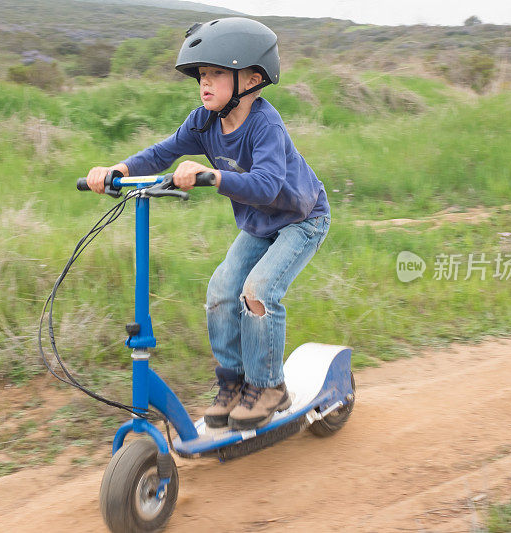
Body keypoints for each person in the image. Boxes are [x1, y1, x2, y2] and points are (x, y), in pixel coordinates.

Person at [85, 17, 330, 430]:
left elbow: (268, 186)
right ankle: (233, 384)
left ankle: (269, 386)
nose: (205, 82)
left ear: (252, 79)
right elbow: (162, 153)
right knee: (220, 291)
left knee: (257, 291)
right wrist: (118, 168)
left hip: (300, 220)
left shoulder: (265, 125)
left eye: (217, 72)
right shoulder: (203, 122)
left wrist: (212, 176)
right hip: (258, 223)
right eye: (202, 74)